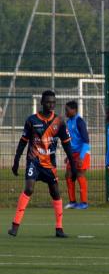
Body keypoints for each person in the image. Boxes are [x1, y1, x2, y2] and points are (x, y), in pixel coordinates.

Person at [8, 90, 77, 238]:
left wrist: (73, 165)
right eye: (48, 102)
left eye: (53, 102)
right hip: (34, 161)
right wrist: (16, 159)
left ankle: (59, 228)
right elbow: (23, 142)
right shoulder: (32, 120)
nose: (51, 104)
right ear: (41, 102)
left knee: (55, 192)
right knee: (29, 188)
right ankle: (15, 225)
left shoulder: (59, 122)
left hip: (49, 165)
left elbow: (67, 146)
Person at [64, 100, 91, 209]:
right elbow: (71, 140)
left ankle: (84, 202)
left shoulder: (80, 121)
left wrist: (81, 157)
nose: (65, 112)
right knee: (68, 175)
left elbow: (86, 140)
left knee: (80, 174)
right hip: (73, 153)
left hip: (82, 153)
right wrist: (68, 154)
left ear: (74, 110)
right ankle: (72, 201)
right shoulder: (69, 122)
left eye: (67, 110)